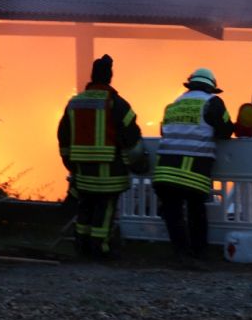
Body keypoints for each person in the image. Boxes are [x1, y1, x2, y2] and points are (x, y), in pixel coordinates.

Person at [57, 54, 146, 260]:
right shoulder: (118, 104)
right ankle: (100, 249)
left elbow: (63, 136)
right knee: (105, 209)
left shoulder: (74, 103)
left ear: (92, 76)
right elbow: (131, 137)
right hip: (110, 172)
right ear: (110, 77)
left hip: (83, 172)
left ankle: (82, 247)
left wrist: (70, 163)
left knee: (85, 208)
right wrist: (136, 163)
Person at [152, 68, 234, 264]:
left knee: (173, 213)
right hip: (192, 171)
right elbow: (225, 131)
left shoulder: (173, 105)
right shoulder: (212, 102)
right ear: (211, 87)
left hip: (164, 170)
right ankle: (198, 253)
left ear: (190, 85)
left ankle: (181, 253)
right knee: (196, 212)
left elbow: (164, 131)